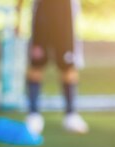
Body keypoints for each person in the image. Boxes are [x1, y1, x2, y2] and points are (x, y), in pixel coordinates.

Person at [16, 0, 89, 135]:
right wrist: (18, 15)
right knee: (36, 62)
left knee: (68, 65)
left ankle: (71, 115)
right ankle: (33, 115)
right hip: (43, 9)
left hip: (65, 9)